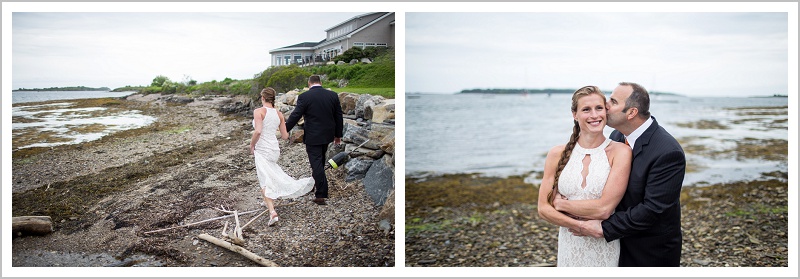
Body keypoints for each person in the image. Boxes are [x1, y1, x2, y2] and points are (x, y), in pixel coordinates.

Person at [562, 82, 686, 267]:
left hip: (649, 250)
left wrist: (604, 228)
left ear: (631, 113)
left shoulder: (668, 152)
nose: (606, 105)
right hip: (616, 244)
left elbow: (653, 209)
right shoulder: (617, 137)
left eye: (612, 101)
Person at [537, 85, 632, 266]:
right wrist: (580, 226)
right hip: (569, 244)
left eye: (599, 108)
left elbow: (603, 209)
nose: (594, 115)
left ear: (606, 111)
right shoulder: (557, 154)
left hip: (604, 246)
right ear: (575, 114)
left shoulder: (620, 152)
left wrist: (561, 204)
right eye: (586, 110)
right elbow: (543, 208)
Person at [250, 87, 314, 226]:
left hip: (262, 149)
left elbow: (258, 131)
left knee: (264, 179)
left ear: (262, 98)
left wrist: (251, 145)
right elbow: (285, 136)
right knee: (270, 173)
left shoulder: (259, 111)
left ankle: (272, 212)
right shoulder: (279, 114)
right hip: (274, 149)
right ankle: (267, 200)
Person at [285, 75, 344, 205]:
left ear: (309, 83)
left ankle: (321, 194)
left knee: (316, 163)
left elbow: (296, 115)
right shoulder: (333, 95)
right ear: (320, 82)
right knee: (320, 160)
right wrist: (338, 135)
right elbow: (338, 116)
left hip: (313, 135)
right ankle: (317, 184)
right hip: (328, 134)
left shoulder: (304, 97)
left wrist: (285, 128)